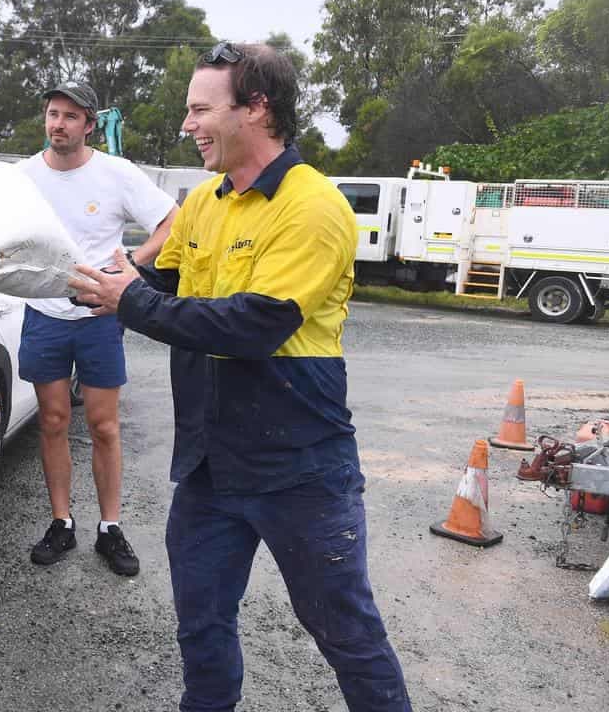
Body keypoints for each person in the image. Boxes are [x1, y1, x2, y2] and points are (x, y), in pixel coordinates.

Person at [69, 43, 411, 711]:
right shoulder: (203, 202)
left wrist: (131, 301)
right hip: (209, 467)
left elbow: (255, 325)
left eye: (200, 109)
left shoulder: (313, 207)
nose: (187, 125)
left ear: (256, 108)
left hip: (300, 467)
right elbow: (172, 285)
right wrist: (104, 277)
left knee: (345, 630)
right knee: (200, 623)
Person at [17, 81, 178, 577]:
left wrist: (133, 263)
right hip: (44, 312)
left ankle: (110, 527)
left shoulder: (116, 173)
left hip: (99, 316)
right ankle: (61, 522)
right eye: (51, 113)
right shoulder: (22, 176)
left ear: (90, 124)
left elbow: (173, 220)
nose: (57, 124)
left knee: (105, 426)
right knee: (53, 421)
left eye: (69, 116)